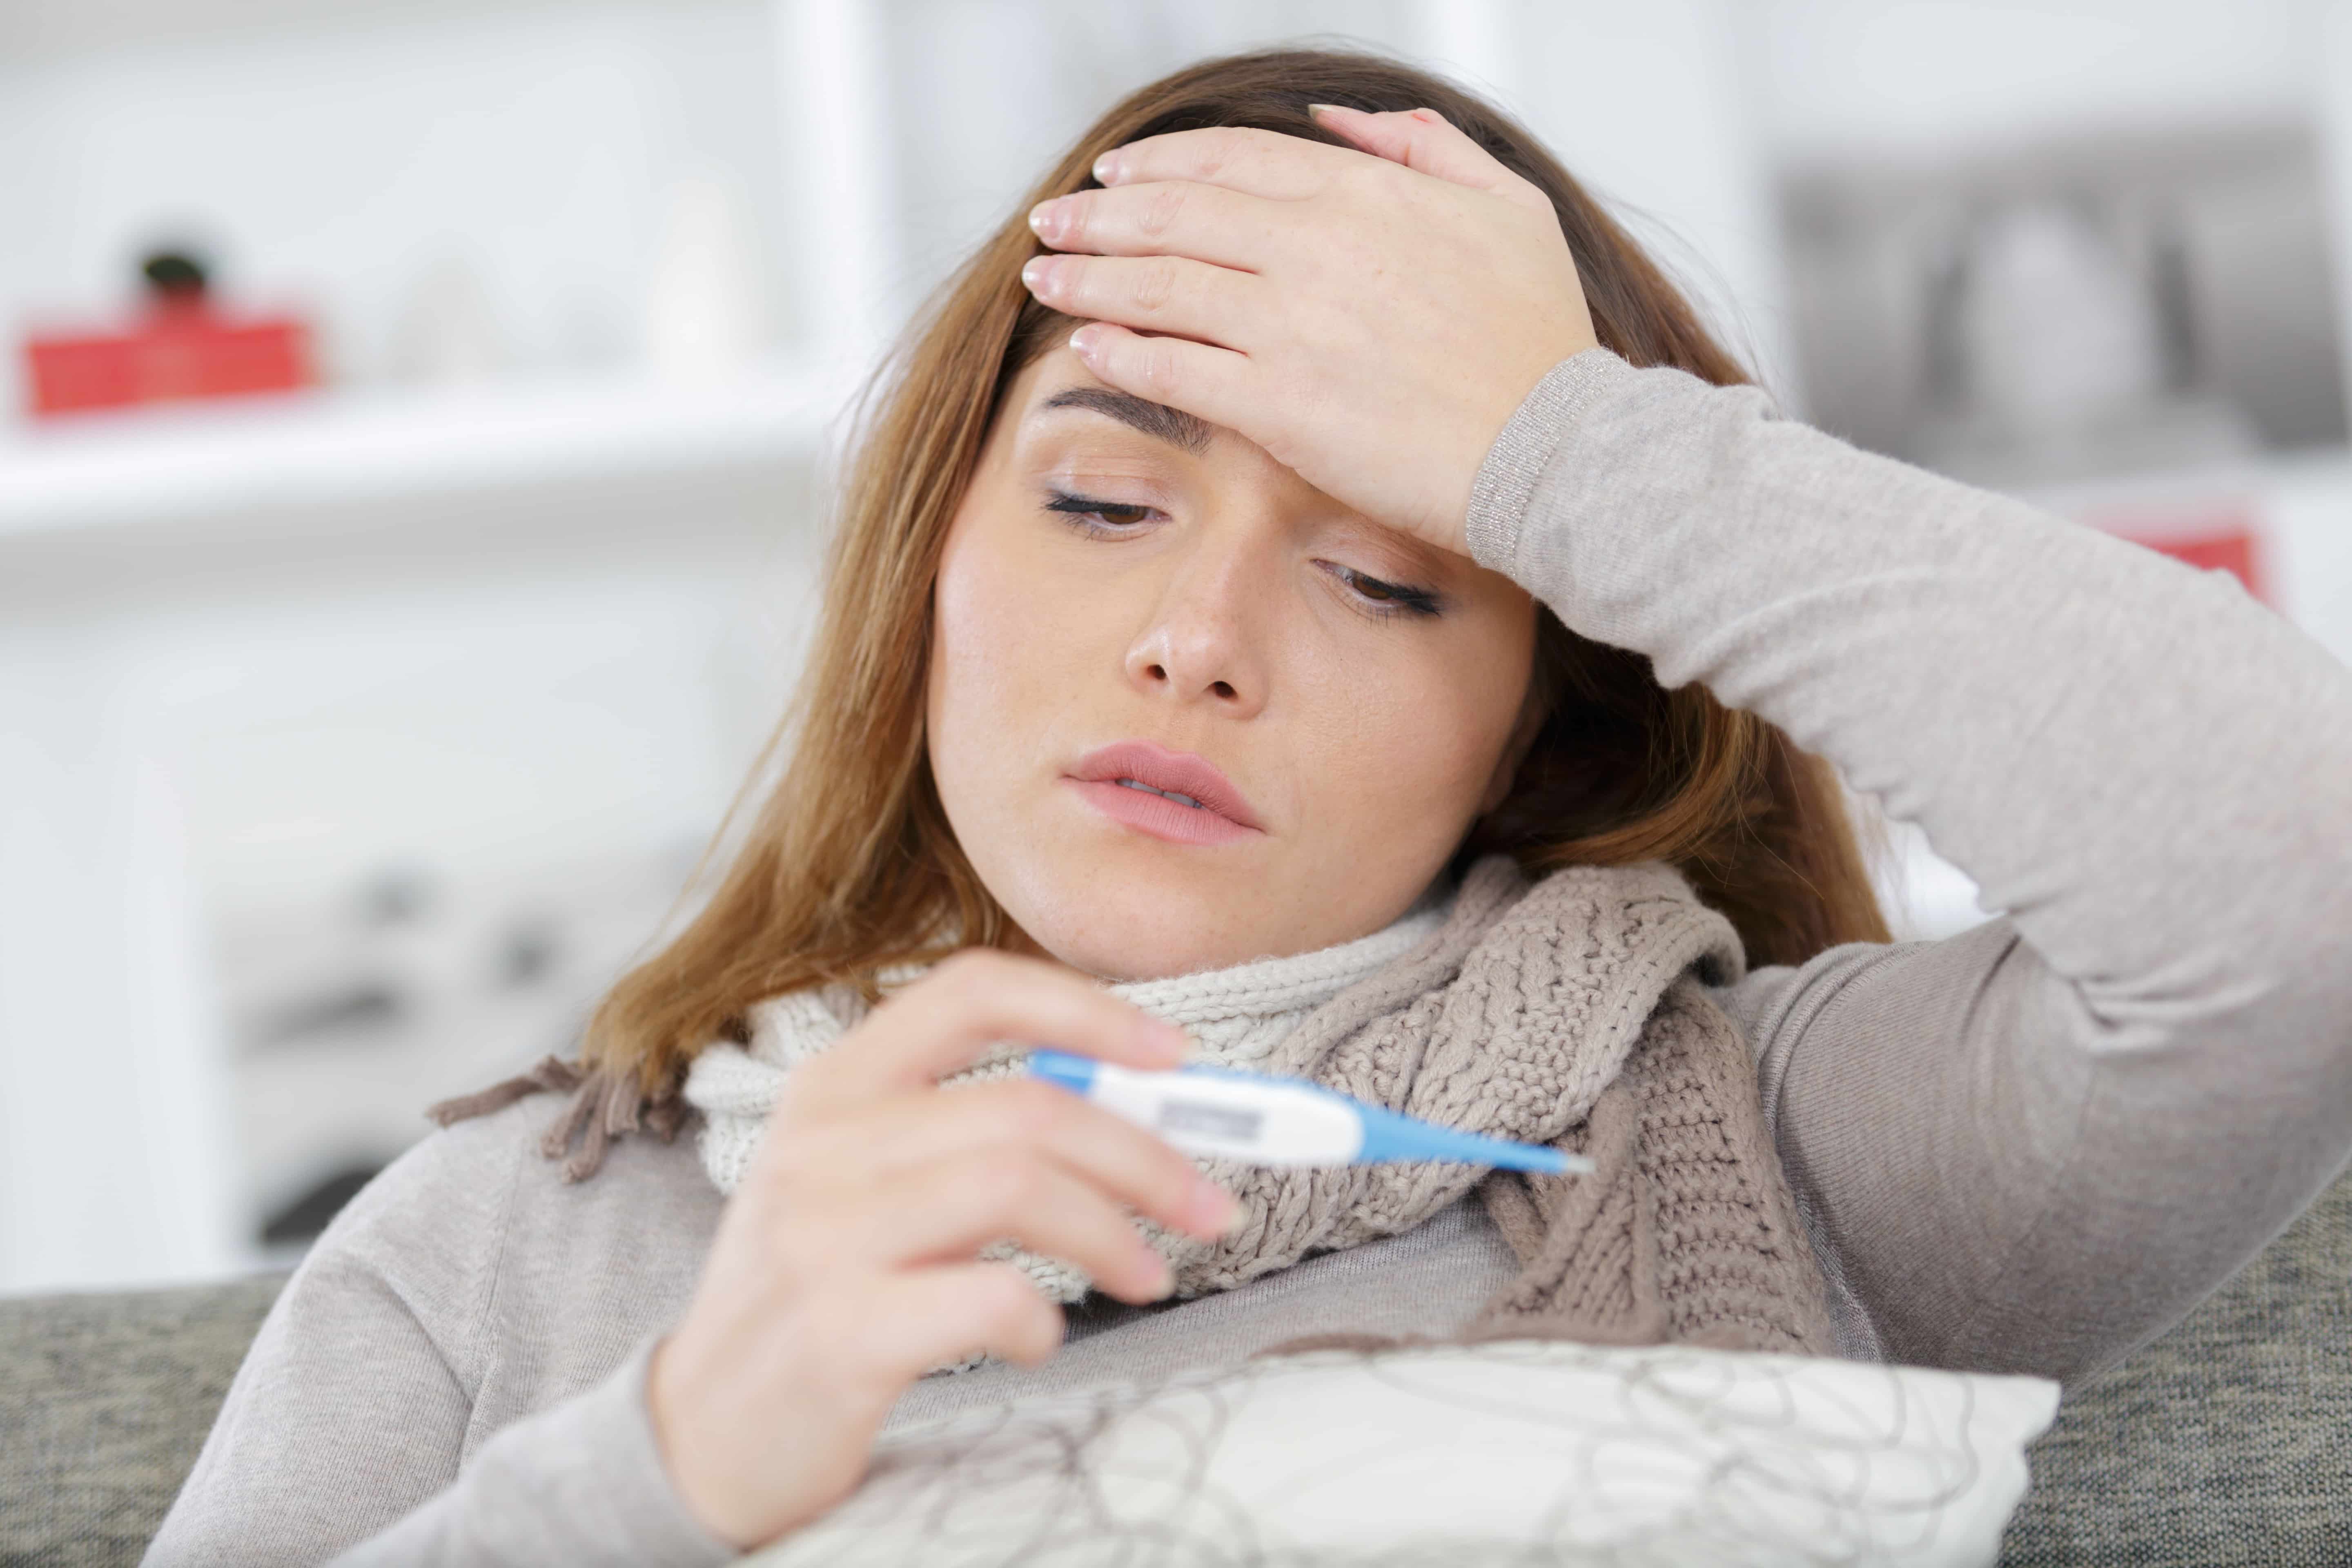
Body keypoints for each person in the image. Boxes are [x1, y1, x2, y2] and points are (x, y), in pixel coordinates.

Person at [145, 47, 2352, 1567]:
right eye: (1104, 494)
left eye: (1393, 569)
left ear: (1538, 722)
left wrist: (1577, 449)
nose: (1202, 635)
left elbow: (2290, 876)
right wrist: (658, 1468)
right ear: (934, 557)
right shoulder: (510, 1242)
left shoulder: (1778, 1148)